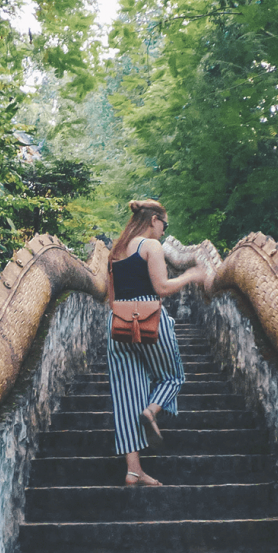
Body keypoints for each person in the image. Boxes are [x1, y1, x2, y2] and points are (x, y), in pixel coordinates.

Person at [107, 199, 208, 487]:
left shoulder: (114, 252)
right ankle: (151, 411)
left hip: (118, 323)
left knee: (126, 397)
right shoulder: (150, 247)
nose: (164, 231)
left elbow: (110, 296)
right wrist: (190, 276)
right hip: (149, 318)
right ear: (153, 220)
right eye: (164, 224)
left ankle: (134, 472)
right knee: (172, 376)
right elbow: (162, 287)